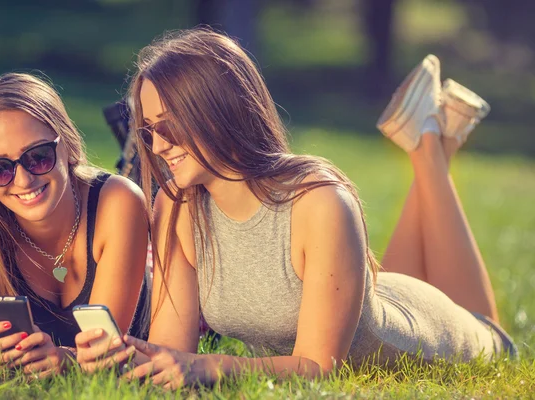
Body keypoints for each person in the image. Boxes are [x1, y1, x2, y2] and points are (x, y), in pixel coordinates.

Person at [75, 29, 517, 388]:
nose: (158, 145)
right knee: (375, 300)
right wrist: (135, 358)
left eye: (168, 125)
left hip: (429, 336)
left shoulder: (317, 201)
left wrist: (213, 368)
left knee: (492, 334)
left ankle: (428, 147)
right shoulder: (176, 208)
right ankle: (434, 138)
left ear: (218, 111)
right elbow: (175, 349)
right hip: (370, 301)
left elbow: (320, 368)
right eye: (148, 130)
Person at [0, 73, 149, 378]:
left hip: (159, 277)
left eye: (38, 156)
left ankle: (136, 149)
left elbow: (105, 351)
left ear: (66, 144)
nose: (23, 180)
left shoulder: (120, 202)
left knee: (158, 189)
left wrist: (63, 359)